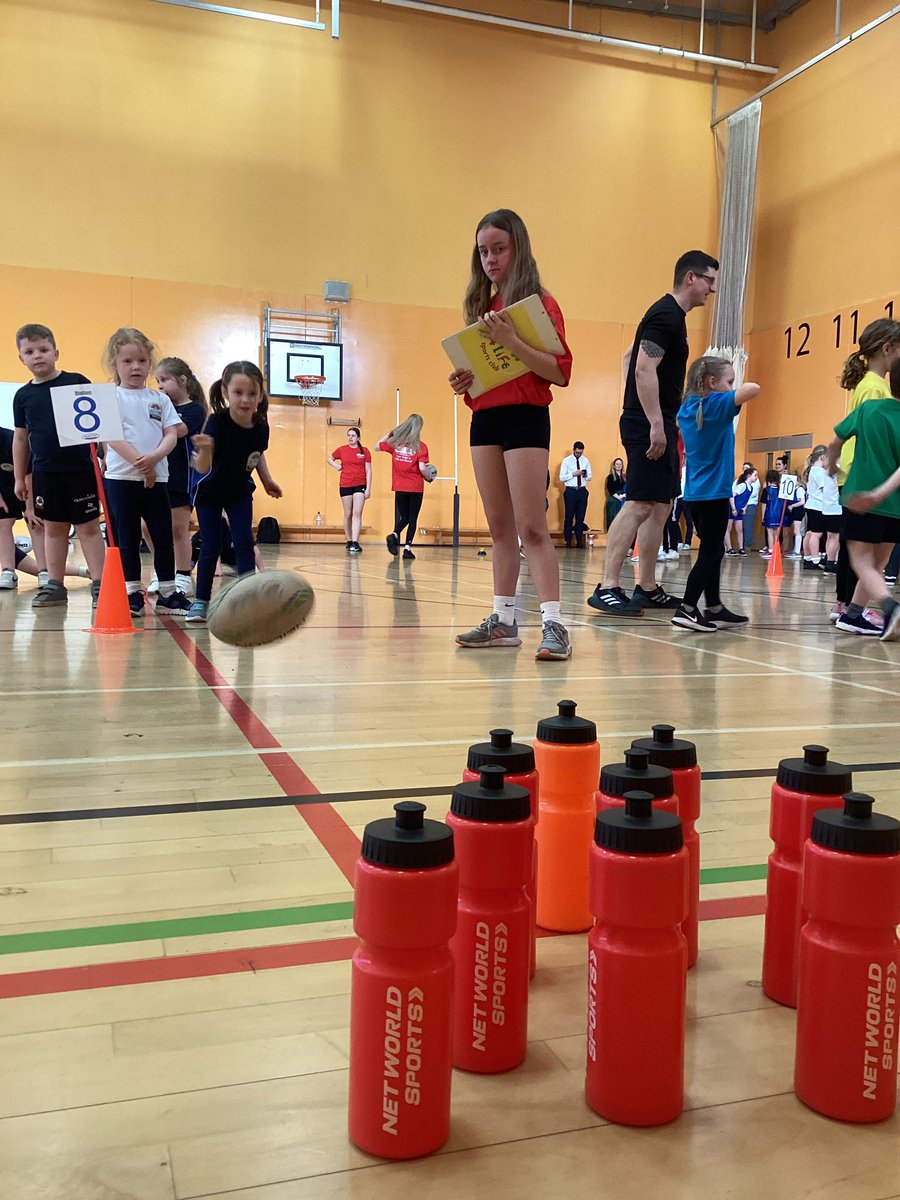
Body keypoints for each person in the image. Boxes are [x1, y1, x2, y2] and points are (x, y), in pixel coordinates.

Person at [448, 209, 573, 660]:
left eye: (499, 248)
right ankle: (503, 621)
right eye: (483, 251)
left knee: (531, 527)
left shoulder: (540, 305)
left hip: (525, 417)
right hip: (485, 419)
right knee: (500, 528)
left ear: (517, 248)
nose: (490, 259)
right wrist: (466, 383)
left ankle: (556, 625)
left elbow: (558, 372)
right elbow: (488, 373)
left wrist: (513, 341)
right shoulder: (481, 309)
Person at [587, 250, 719, 617]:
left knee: (661, 505)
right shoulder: (665, 315)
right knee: (641, 502)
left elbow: (628, 358)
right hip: (650, 423)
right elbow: (643, 369)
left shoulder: (667, 316)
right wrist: (654, 423)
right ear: (690, 277)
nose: (712, 289)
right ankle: (608, 586)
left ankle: (646, 587)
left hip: (655, 418)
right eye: (709, 280)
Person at [12, 323, 106, 608]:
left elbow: (98, 423)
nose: (37, 355)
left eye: (43, 349)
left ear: (56, 352)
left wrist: (104, 456)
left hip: (80, 470)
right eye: (30, 351)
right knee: (53, 528)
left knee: (89, 526)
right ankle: (54, 584)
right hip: (45, 473)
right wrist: (19, 478)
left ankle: (100, 583)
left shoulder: (76, 380)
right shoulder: (23, 396)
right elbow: (20, 439)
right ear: (21, 358)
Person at [101, 327, 190, 618]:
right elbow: (111, 436)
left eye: (141, 360)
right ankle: (131, 593)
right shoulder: (110, 397)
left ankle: (167, 592)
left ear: (150, 363)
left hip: (157, 479)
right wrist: (141, 462)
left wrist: (154, 459)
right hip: (121, 479)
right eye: (127, 361)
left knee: (162, 534)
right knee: (127, 537)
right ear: (115, 364)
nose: (136, 367)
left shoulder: (160, 400)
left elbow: (171, 434)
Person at [186, 361, 282, 623]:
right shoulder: (216, 422)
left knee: (244, 542)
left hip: (239, 491)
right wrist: (205, 448)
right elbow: (202, 468)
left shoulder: (261, 427)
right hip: (210, 493)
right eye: (238, 393)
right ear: (226, 392)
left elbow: (256, 455)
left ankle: (246, 599)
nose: (245, 399)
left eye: (252, 393)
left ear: (260, 395)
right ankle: (201, 601)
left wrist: (267, 481)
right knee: (211, 545)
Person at [671, 355, 760, 632]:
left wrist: (728, 387)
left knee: (714, 549)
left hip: (695, 495)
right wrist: (732, 390)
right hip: (714, 495)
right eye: (729, 380)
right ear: (712, 382)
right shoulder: (715, 405)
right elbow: (753, 388)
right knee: (711, 552)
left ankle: (714, 607)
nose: (732, 386)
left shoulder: (686, 409)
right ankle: (687, 608)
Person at [830, 318, 900, 625]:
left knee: (870, 558)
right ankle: (850, 608)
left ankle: (853, 611)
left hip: (875, 482)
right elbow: (871, 440)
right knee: (862, 556)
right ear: (888, 348)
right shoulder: (874, 389)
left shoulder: (874, 387)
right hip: (869, 480)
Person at [144, 356, 208, 596]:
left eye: (164, 381)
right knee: (145, 526)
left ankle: (182, 575)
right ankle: (164, 573)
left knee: (178, 529)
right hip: (157, 473)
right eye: (157, 381)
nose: (159, 386)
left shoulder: (194, 410)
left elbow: (179, 430)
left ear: (181, 381)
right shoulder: (159, 405)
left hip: (181, 476)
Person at [377, 415, 430, 561]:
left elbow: (377, 446)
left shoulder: (395, 444)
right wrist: (429, 477)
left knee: (404, 516)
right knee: (412, 518)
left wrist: (391, 433)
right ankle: (407, 549)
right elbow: (422, 468)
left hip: (399, 487)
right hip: (415, 487)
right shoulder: (421, 446)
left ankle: (394, 535)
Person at [328, 426, 371, 554]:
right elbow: (329, 458)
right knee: (348, 513)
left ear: (358, 438)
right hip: (345, 484)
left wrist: (368, 488)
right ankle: (348, 540)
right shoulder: (342, 450)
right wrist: (336, 466)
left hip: (360, 484)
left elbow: (368, 471)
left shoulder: (365, 451)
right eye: (349, 435)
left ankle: (355, 541)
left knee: (357, 512)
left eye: (353, 435)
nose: (350, 438)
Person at [803, 445, 840, 573]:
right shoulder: (818, 471)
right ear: (823, 457)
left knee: (810, 533)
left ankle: (808, 558)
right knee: (816, 534)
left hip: (812, 504)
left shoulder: (813, 470)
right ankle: (815, 560)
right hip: (818, 505)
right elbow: (826, 488)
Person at [559, 440, 592, 548]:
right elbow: (561, 477)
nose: (579, 454)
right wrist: (574, 474)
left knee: (580, 517)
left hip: (582, 490)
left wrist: (585, 474)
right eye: (577, 452)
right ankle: (568, 540)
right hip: (571, 490)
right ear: (574, 450)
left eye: (581, 452)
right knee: (569, 516)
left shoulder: (585, 460)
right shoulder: (566, 461)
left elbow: (590, 477)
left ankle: (579, 541)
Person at [726, 467, 755, 556]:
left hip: (739, 511)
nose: (756, 477)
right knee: (728, 528)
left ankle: (741, 548)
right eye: (755, 475)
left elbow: (746, 499)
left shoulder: (751, 488)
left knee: (739, 529)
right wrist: (733, 508)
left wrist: (744, 507)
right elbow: (731, 496)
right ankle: (729, 548)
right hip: (732, 508)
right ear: (749, 476)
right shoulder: (742, 486)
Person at [760, 469, 783, 558]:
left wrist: (763, 515)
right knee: (777, 533)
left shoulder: (767, 490)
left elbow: (764, 504)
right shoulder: (781, 490)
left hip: (769, 513)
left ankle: (770, 550)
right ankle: (777, 550)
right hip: (779, 513)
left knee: (770, 532)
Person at [740, 460, 760, 551]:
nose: (745, 470)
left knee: (748, 526)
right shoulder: (740, 480)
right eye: (743, 468)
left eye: (747, 468)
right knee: (740, 526)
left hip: (750, 505)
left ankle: (747, 546)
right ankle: (741, 546)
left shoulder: (755, 481)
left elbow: (750, 494)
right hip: (740, 505)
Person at [604, 458, 626, 530]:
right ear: (614, 466)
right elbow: (610, 488)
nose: (619, 465)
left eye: (620, 464)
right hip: (614, 498)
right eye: (617, 464)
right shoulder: (610, 477)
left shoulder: (626, 476)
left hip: (625, 497)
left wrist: (624, 495)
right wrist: (619, 497)